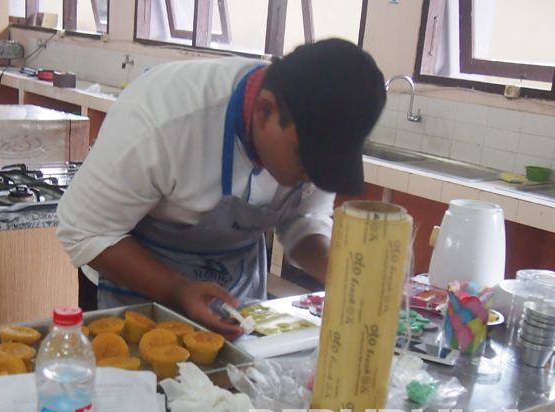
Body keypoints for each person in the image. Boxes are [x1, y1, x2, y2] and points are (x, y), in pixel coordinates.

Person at [57, 38, 386, 339]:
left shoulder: (316, 131)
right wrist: (177, 289)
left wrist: (335, 270)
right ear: (264, 111)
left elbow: (303, 218)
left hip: (235, 298)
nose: (311, 177)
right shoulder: (163, 118)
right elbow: (85, 231)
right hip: (134, 291)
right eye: (306, 159)